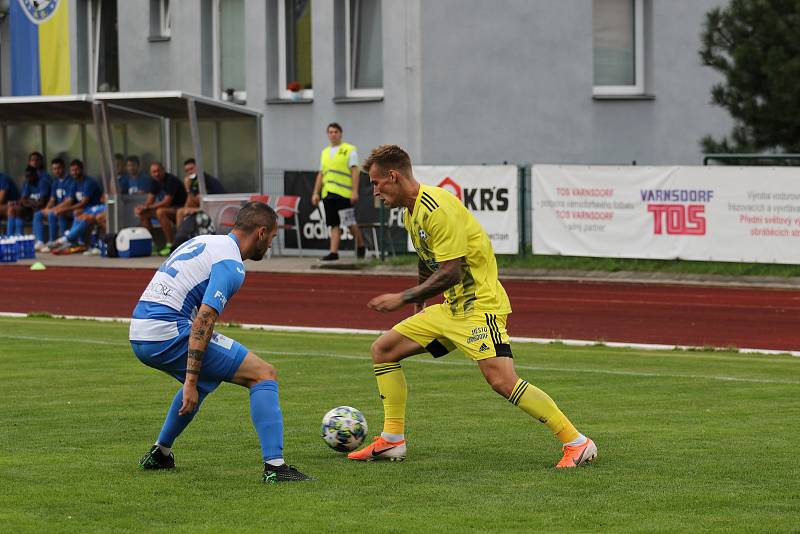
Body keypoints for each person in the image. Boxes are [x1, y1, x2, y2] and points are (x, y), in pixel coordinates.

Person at [347, 145, 597, 468]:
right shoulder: (412, 213)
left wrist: (404, 297)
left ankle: (577, 442)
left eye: (376, 182)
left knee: (502, 381)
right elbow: (429, 262)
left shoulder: (438, 208)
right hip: (450, 310)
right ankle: (392, 440)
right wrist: (420, 300)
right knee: (383, 350)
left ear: (393, 176)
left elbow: (451, 271)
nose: (375, 191)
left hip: (480, 306)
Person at [129, 201, 313, 484]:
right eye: (273, 238)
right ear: (261, 233)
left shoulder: (205, 241)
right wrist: (188, 381)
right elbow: (204, 319)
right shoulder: (232, 266)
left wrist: (195, 380)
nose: (271, 246)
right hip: (166, 331)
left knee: (204, 381)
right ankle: (275, 467)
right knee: (264, 374)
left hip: (139, 330)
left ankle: (161, 452)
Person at [311, 122, 366, 261]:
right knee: (333, 224)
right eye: (330, 132)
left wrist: (355, 191)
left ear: (340, 133)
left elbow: (355, 171)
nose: (333, 134)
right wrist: (316, 193)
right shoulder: (324, 152)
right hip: (328, 194)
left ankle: (360, 245)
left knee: (349, 223)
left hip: (344, 194)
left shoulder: (349, 149)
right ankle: (333, 253)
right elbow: (321, 174)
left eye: (335, 131)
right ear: (327, 134)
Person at [45, 159, 104, 252]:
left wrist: (64, 209)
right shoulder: (74, 183)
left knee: (79, 214)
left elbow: (84, 202)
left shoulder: (89, 182)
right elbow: (70, 200)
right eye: (72, 170)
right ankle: (70, 241)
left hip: (93, 208)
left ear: (82, 170)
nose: (74, 172)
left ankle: (67, 240)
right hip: (84, 209)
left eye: (76, 170)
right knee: (73, 213)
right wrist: (57, 209)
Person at [135, 162, 187, 256]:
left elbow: (166, 202)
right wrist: (142, 208)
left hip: (179, 208)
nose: (156, 174)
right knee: (143, 214)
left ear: (163, 170)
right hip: (167, 210)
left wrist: (148, 207)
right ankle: (152, 244)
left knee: (160, 212)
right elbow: (150, 200)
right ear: (151, 173)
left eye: (158, 171)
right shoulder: (154, 181)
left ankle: (170, 244)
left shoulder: (171, 180)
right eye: (154, 172)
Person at [35, 159, 74, 250]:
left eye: (59, 168)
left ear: (64, 168)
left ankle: (53, 241)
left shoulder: (71, 181)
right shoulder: (55, 182)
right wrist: (47, 208)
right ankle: (40, 241)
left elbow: (68, 201)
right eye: (54, 169)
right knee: (38, 214)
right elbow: (52, 199)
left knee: (54, 213)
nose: (57, 171)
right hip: (57, 209)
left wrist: (53, 209)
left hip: (69, 209)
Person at [175, 158, 225, 227]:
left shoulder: (207, 180)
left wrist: (188, 190)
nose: (190, 172)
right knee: (180, 212)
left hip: (214, 209)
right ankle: (179, 236)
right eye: (187, 170)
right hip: (201, 208)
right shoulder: (192, 182)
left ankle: (180, 236)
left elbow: (203, 202)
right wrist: (188, 189)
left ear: (198, 168)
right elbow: (189, 202)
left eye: (191, 168)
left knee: (181, 212)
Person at [6, 166, 51, 235]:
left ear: (35, 174)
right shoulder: (28, 182)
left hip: (43, 208)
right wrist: (30, 202)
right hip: (30, 207)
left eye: (30, 176)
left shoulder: (42, 182)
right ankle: (15, 236)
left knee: (36, 210)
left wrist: (29, 201)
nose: (28, 178)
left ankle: (35, 236)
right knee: (15, 209)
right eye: (26, 176)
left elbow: (41, 202)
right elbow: (23, 199)